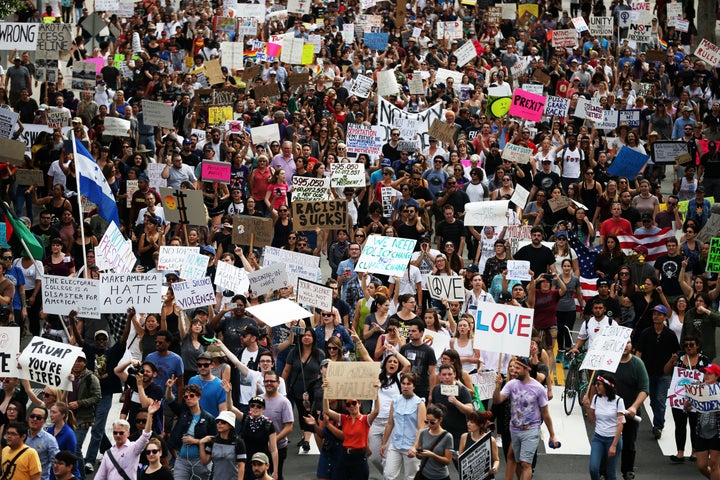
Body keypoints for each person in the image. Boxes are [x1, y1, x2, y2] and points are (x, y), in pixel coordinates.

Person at [493, 356, 559, 480]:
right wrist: (497, 387)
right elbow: (497, 400)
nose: (514, 370)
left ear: (527, 369)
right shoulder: (511, 384)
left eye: (518, 368)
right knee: (518, 462)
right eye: (514, 367)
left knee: (525, 463)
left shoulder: (538, 388)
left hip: (531, 430)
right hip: (514, 430)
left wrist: (552, 434)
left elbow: (545, 413)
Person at [635, 305, 679, 440]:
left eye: (659, 314)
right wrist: (637, 368)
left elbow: (676, 353)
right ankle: (658, 422)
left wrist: (673, 363)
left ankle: (658, 426)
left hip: (664, 374)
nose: (656, 316)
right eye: (654, 314)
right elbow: (639, 352)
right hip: (648, 372)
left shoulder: (670, 335)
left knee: (660, 400)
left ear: (665, 317)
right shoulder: (646, 333)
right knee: (653, 401)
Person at [322, 378, 380, 480]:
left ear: (359, 403)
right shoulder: (344, 419)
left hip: (359, 456)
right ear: (346, 407)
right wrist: (325, 391)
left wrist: (376, 393)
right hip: (345, 456)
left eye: (354, 403)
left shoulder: (365, 419)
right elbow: (327, 410)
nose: (352, 406)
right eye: (348, 404)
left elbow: (376, 411)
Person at [665, 334, 710, 463]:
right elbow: (666, 371)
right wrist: (671, 361)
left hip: (696, 399)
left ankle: (694, 452)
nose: (688, 347)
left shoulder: (704, 360)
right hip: (679, 398)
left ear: (697, 346)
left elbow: (710, 376)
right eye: (686, 345)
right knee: (679, 425)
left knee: (695, 425)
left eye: (691, 345)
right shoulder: (679, 358)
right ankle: (680, 452)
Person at [94, 400, 159, 480]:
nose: (118, 435)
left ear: (128, 433)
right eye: (115, 433)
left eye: (121, 433)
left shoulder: (134, 448)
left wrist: (149, 415)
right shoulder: (108, 453)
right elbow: (100, 476)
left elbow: (146, 435)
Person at [165, 382, 216, 480]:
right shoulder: (183, 412)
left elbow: (214, 439)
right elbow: (170, 400)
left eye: (191, 395)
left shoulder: (209, 418)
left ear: (199, 397)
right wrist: (169, 388)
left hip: (200, 461)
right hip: (182, 460)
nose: (188, 398)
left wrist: (196, 441)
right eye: (185, 397)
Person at [380, 372, 426, 480]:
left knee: (410, 477)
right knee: (388, 474)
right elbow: (390, 423)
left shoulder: (419, 403)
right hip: (395, 444)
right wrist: (384, 443)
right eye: (403, 383)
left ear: (413, 386)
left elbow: (421, 428)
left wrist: (415, 447)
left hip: (411, 445)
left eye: (408, 384)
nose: (405, 386)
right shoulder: (395, 400)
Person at [585, 374, 625, 480]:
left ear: (607, 386)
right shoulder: (596, 399)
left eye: (599, 384)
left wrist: (614, 445)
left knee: (610, 472)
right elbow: (591, 419)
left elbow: (621, 424)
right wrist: (588, 407)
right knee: (593, 469)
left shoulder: (618, 401)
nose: (596, 386)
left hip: (613, 439)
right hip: (598, 438)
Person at [686, 363, 720, 480]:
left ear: (717, 376)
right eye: (705, 373)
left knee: (714, 464)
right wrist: (688, 403)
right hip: (702, 431)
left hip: (717, 432)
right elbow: (687, 407)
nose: (706, 375)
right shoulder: (697, 389)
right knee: (701, 466)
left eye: (709, 373)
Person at [409, 404, 454, 480]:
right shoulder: (423, 433)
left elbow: (447, 461)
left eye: (432, 422)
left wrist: (433, 455)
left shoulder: (448, 437)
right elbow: (419, 456)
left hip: (440, 476)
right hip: (424, 474)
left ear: (440, 420)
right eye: (427, 421)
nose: (429, 424)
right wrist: (418, 454)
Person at [199, 410, 246, 480]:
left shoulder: (238, 442)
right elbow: (204, 461)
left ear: (230, 425)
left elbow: (241, 466)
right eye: (217, 422)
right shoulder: (213, 441)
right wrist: (201, 443)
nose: (219, 424)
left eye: (223, 422)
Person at [399, 319, 437, 402]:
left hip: (422, 388)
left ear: (421, 333)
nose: (411, 333)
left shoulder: (429, 351)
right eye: (409, 331)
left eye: (414, 331)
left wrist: (431, 393)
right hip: (406, 386)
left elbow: (432, 373)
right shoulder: (404, 348)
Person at [457, 411, 500, 478]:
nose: (468, 424)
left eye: (472, 422)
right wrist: (456, 457)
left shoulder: (491, 440)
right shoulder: (464, 437)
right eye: (468, 421)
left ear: (481, 424)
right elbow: (461, 460)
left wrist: (494, 468)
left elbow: (496, 460)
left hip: (486, 476)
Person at [25, 406, 59, 480]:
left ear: (44, 421)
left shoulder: (50, 440)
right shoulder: (21, 435)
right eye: (32, 416)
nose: (34, 419)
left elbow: (56, 464)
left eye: (39, 417)